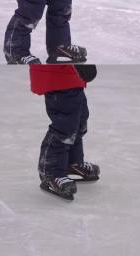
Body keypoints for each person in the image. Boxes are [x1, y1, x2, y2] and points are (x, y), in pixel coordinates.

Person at [30, 64, 99, 201]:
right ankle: (51, 172)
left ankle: (72, 163)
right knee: (65, 127)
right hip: (58, 79)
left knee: (79, 122)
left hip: (73, 79)